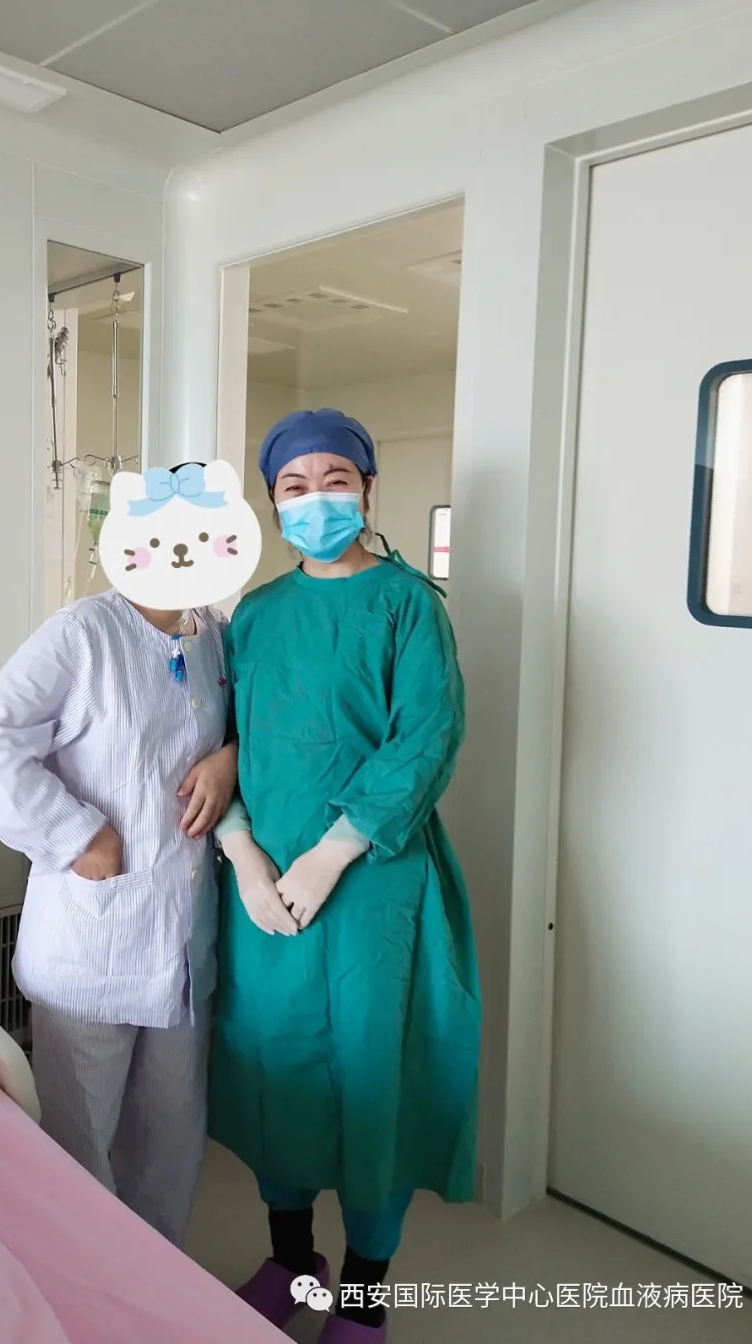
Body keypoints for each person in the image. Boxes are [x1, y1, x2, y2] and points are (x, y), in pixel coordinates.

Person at [211, 409, 481, 1343]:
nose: (316, 499)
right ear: (272, 501)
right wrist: (242, 850)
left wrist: (333, 851)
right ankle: (294, 1261)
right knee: (277, 1065)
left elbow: (426, 738)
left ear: (368, 490)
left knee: (373, 1071)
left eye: (336, 480)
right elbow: (223, 742)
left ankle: (363, 1293)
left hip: (374, 883)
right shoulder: (255, 614)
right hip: (268, 887)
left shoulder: (409, 605)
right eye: (295, 485)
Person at [0, 475, 237, 1249]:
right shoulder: (83, 633)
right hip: (93, 939)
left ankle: (153, 1283)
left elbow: (242, 724)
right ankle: (83, 1289)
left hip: (181, 942)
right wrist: (75, 834)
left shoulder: (212, 633)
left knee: (170, 1142)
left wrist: (231, 758)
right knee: (78, 1152)